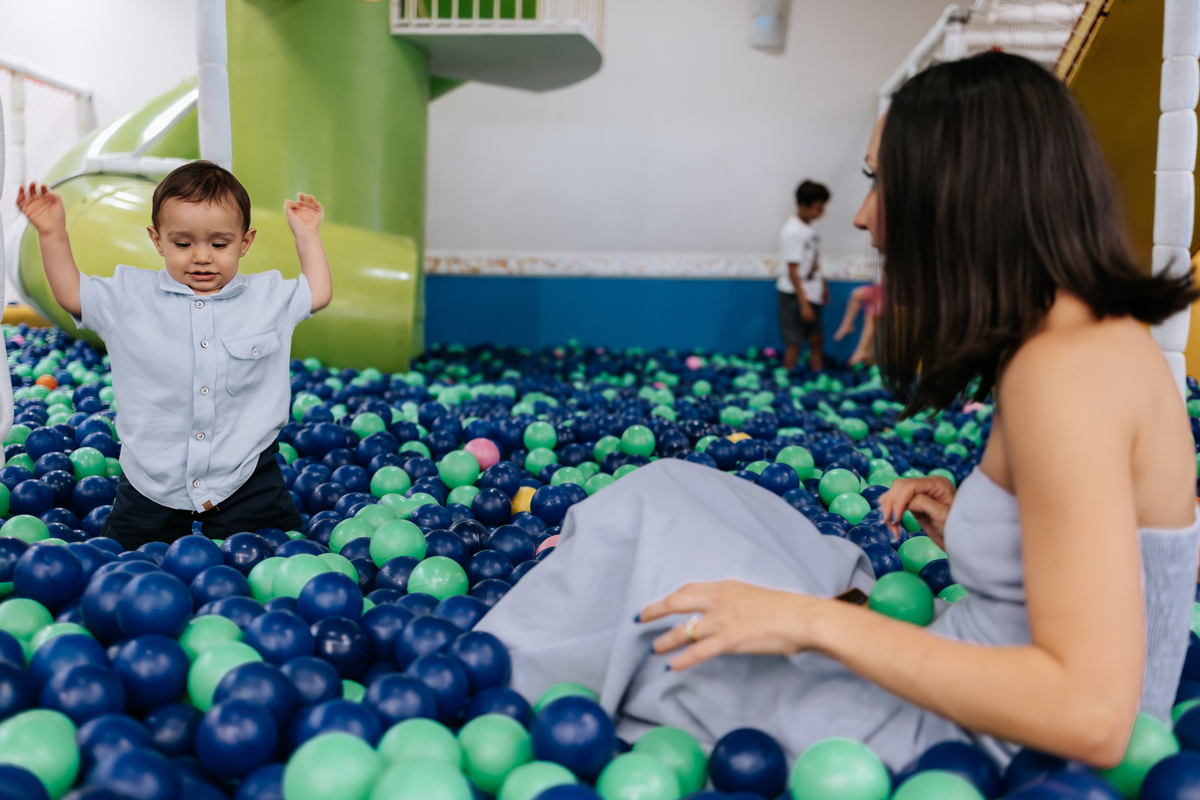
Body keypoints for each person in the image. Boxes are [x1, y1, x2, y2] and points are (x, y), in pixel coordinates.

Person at [477, 52, 1200, 770]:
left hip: (974, 744)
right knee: (671, 489)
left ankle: (493, 672)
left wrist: (812, 622)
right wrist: (983, 532)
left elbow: (1092, 718)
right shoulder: (1084, 342)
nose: (862, 216)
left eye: (881, 182)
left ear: (959, 196)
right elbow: (1097, 579)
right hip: (971, 680)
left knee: (660, 608)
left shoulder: (1065, 374)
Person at [16, 161, 333, 548]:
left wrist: (307, 234)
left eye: (219, 244)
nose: (201, 256)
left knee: (270, 554)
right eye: (183, 244)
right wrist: (52, 233)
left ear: (244, 242)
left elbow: (318, 292)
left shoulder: (267, 297)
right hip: (153, 476)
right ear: (157, 239)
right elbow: (72, 293)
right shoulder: (129, 295)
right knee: (127, 560)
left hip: (245, 470)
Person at [777, 180, 831, 370]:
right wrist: (804, 303)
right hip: (794, 294)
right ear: (803, 206)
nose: (822, 212)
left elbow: (814, 259)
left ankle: (818, 374)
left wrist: (822, 285)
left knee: (816, 338)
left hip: (812, 291)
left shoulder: (813, 227)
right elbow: (793, 271)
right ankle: (787, 377)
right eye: (818, 208)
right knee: (794, 341)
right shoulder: (792, 231)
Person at [833, 278, 883, 365]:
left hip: (888, 294)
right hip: (879, 290)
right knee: (857, 294)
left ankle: (862, 351)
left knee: (871, 315)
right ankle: (847, 324)